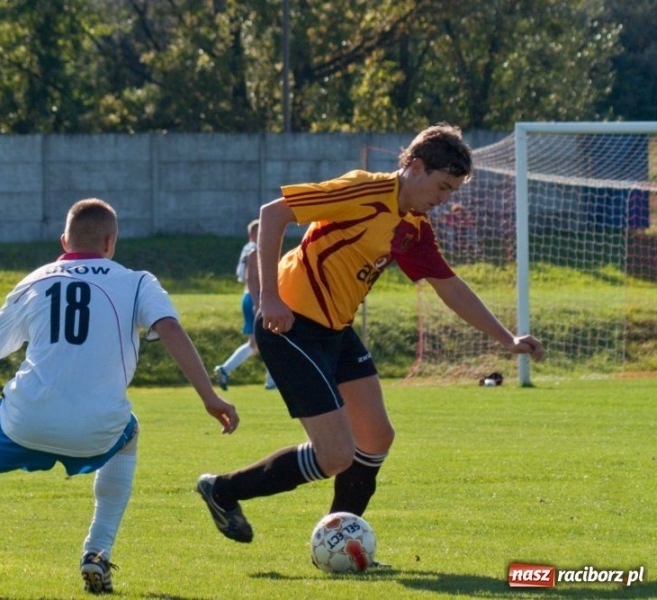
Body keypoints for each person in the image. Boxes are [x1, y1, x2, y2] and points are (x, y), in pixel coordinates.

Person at [0, 198, 239, 596]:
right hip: (98, 429)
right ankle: (97, 552)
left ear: (64, 239)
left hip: (25, 421)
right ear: (110, 241)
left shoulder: (34, 281)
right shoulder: (138, 281)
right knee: (130, 433)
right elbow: (170, 329)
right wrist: (210, 397)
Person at [195, 124, 545, 552]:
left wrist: (506, 339)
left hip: (336, 332)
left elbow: (449, 285)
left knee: (376, 437)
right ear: (415, 167)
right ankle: (224, 490)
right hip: (289, 326)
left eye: (452, 191)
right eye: (442, 186)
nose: (445, 199)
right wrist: (269, 297)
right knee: (337, 454)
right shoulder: (361, 190)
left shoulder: (413, 226)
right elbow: (273, 213)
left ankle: (341, 542)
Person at [213, 219, 276, 391]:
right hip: (254, 297)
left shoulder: (247, 249)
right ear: (254, 233)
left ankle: (226, 369)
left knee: (256, 344)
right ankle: (272, 380)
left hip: (250, 296)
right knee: (271, 339)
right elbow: (250, 277)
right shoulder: (254, 250)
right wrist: (258, 302)